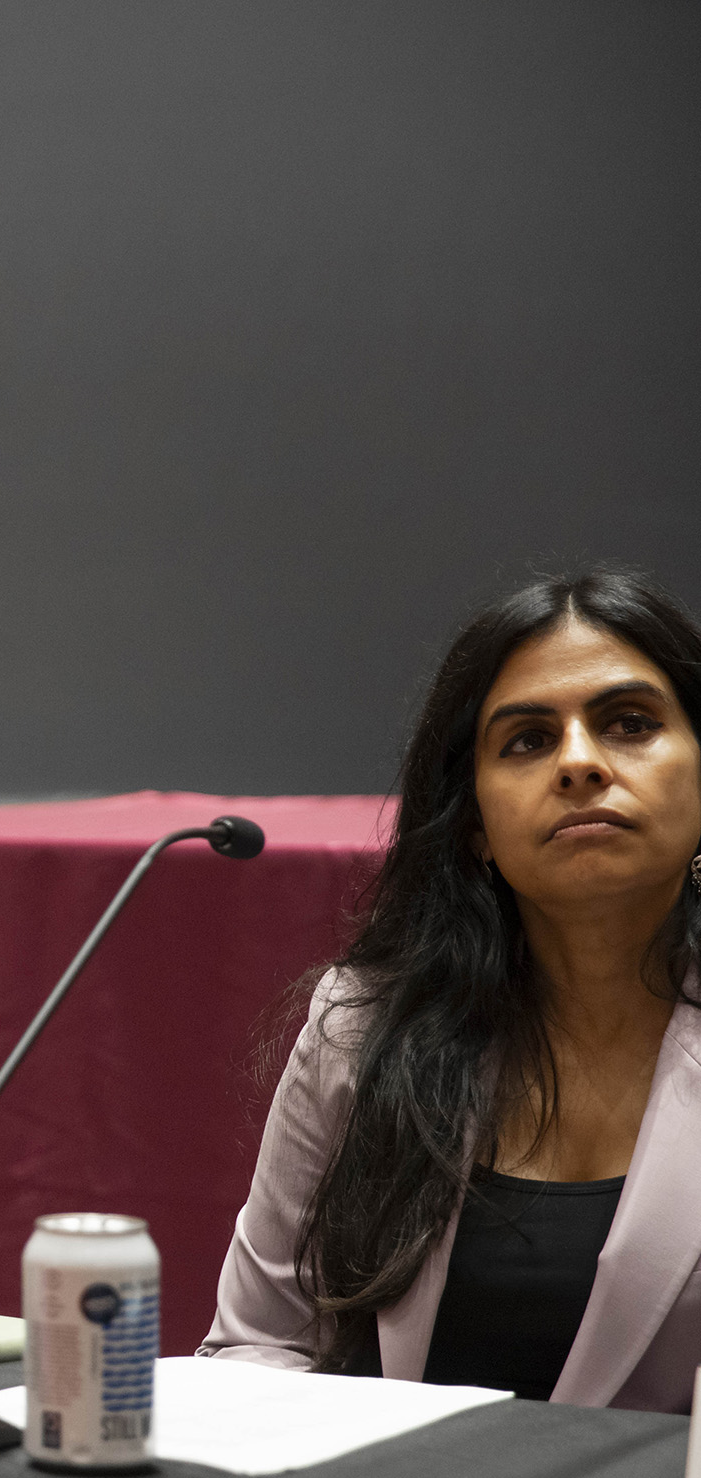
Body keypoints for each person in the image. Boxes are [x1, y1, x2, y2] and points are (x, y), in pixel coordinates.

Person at [205, 571, 701, 1411]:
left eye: (629, 723)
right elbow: (258, 1343)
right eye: (527, 741)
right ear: (474, 823)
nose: (580, 762)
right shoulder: (363, 1027)